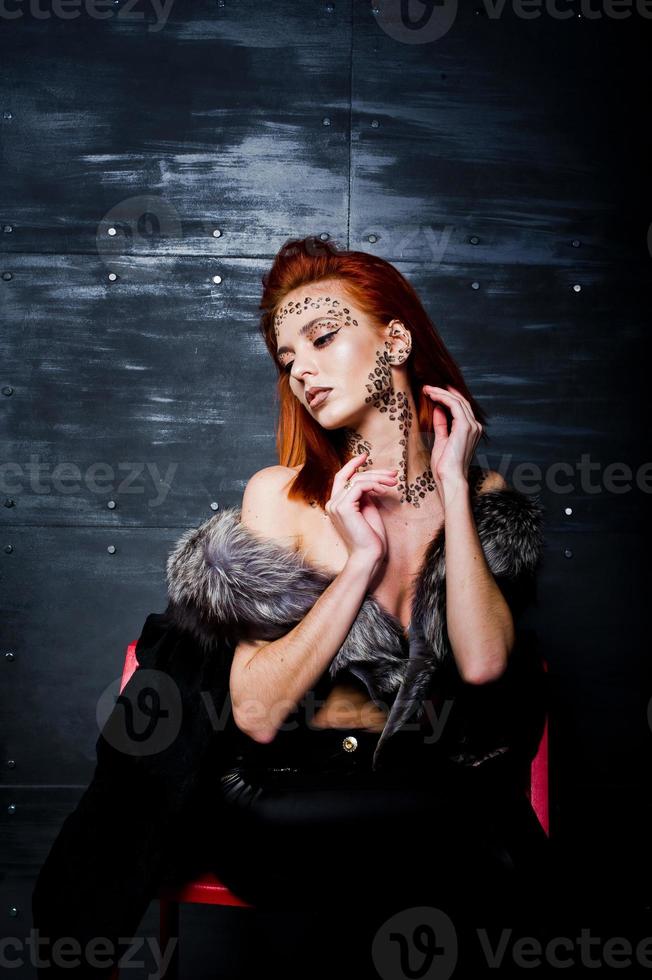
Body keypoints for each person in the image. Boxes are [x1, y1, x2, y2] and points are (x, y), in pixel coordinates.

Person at [32, 237, 554, 978]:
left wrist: (455, 489)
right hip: (284, 798)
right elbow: (255, 712)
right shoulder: (279, 496)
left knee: (473, 827)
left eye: (323, 337)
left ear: (395, 338)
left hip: (414, 793)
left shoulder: (486, 501)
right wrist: (360, 565)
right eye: (286, 359)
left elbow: (483, 662)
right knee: (482, 840)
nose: (301, 370)